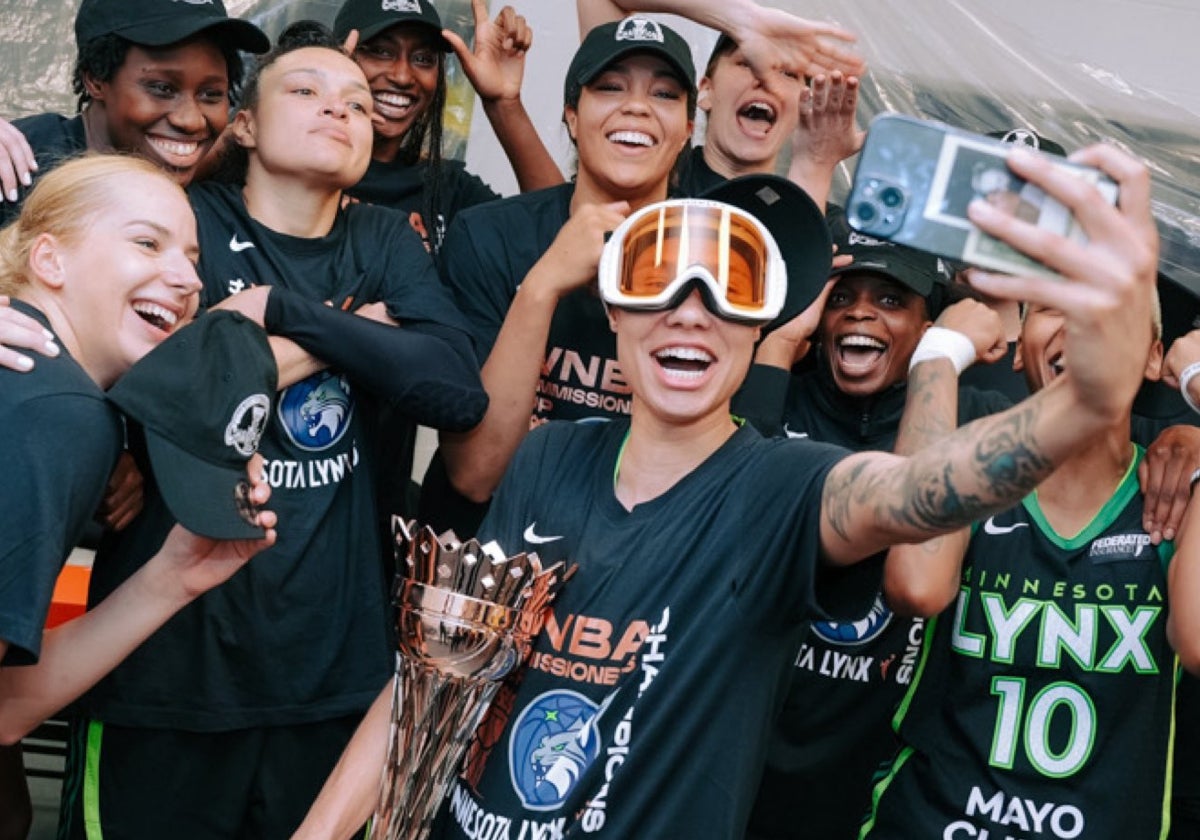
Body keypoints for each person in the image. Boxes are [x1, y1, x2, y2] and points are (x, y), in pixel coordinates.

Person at [291, 140, 1160, 839]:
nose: (691, 311)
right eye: (658, 284)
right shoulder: (544, 457)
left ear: (757, 332)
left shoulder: (784, 489)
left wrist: (1086, 401)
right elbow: (437, 676)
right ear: (618, 315)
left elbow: (917, 492)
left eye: (728, 292)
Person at [56, 24, 487, 840]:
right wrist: (359, 334)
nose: (341, 109)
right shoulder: (185, 221)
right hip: (167, 672)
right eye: (307, 92)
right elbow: (164, 389)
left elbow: (456, 391)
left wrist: (278, 314)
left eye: (356, 103)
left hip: (328, 677)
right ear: (244, 124)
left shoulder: (383, 239)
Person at [0, 153, 276, 831]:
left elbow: (4, 710)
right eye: (146, 243)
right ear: (49, 260)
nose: (186, 279)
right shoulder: (58, 415)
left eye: (190, 255)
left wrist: (172, 578)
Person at [861, 273, 1181, 838]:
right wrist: (935, 361)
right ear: (1019, 346)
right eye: (1056, 307)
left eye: (1112, 311)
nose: (1083, 328)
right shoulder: (974, 467)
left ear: (1154, 357)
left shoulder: (1177, 492)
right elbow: (915, 584)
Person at [737, 222, 1011, 840]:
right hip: (744, 757)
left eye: (891, 300)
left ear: (927, 327)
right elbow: (719, 499)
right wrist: (781, 339)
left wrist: (1181, 435)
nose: (860, 312)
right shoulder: (775, 394)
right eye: (841, 297)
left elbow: (1104, 457)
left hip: (878, 776)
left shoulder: (972, 418)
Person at [0, 0, 269, 222]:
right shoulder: (21, 166)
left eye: (211, 94)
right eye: (162, 88)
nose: (190, 120)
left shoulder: (221, 193)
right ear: (95, 78)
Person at [579, 0, 866, 206]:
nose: (766, 80)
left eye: (788, 73)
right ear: (705, 90)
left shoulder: (823, 222)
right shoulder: (649, 177)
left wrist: (816, 163)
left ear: (803, 107)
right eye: (747, 64)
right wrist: (739, 18)